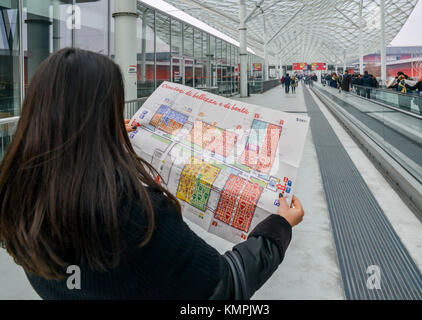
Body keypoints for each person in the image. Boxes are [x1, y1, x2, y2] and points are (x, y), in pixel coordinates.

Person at [0, 48, 305, 300]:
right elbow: (223, 287)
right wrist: (277, 229)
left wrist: (107, 138)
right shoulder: (133, 215)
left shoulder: (16, 197)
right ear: (104, 118)